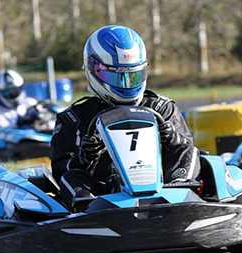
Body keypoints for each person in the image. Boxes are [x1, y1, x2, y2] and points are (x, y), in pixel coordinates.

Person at [50, 25, 200, 211]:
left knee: (189, 149)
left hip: (165, 187)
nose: (126, 85)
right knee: (72, 176)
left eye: (133, 76)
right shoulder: (73, 117)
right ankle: (86, 211)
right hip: (103, 195)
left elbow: (185, 149)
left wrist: (171, 139)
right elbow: (59, 170)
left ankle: (185, 196)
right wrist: (85, 157)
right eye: (116, 76)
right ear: (92, 69)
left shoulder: (162, 108)